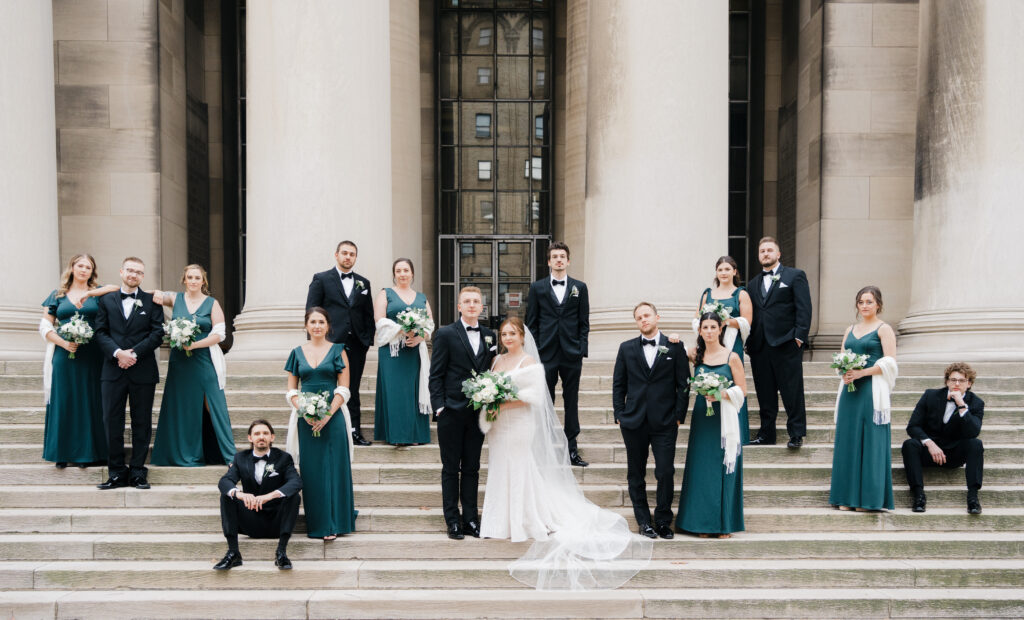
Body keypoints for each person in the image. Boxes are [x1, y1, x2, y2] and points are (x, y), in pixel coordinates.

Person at [480, 317, 653, 590]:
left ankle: (523, 519)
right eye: (504, 334)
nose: (508, 338)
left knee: (520, 466)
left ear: (523, 337)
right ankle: (498, 521)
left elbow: (533, 397)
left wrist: (500, 401)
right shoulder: (496, 362)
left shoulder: (528, 363)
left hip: (519, 425)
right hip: (499, 427)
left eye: (512, 333)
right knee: (500, 467)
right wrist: (490, 401)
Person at [612, 302, 690, 539]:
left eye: (647, 315)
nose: (643, 320)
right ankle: (644, 521)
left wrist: (679, 416)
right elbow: (619, 384)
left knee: (665, 471)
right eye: (639, 318)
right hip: (633, 421)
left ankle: (664, 521)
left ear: (657, 317)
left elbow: (683, 384)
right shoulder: (626, 348)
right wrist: (619, 414)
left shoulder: (675, 347)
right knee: (635, 473)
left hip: (665, 422)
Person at [428, 286, 496, 540]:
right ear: (459, 307)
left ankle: (470, 519)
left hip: (478, 414)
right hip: (451, 412)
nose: (471, 305)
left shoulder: (490, 335)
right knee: (450, 468)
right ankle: (452, 520)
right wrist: (440, 407)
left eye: (475, 301)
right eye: (466, 301)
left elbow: (490, 371)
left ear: (481, 307)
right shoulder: (445, 333)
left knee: (472, 467)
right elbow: (436, 375)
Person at [150, 264, 235, 466]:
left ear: (203, 281)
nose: (194, 281)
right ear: (184, 280)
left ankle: (227, 454)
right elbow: (148, 293)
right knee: (182, 404)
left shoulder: (212, 303)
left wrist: (195, 344)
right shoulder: (175, 299)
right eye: (190, 277)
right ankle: (180, 452)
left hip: (204, 359)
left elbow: (220, 334)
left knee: (213, 402)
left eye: (197, 278)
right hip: (180, 362)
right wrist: (99, 291)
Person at [39, 254, 118, 468]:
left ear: (92, 271)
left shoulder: (99, 293)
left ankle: (89, 453)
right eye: (80, 265)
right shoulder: (57, 295)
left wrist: (91, 292)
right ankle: (63, 452)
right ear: (72, 268)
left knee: (90, 399)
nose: (84, 270)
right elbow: (45, 327)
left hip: (93, 354)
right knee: (65, 399)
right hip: (65, 353)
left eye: (88, 267)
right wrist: (64, 344)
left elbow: (116, 289)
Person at [284, 307, 356, 539]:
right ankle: (319, 523)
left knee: (335, 469)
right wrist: (303, 411)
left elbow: (344, 388)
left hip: (333, 418)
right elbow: (292, 390)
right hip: (306, 419)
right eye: (312, 322)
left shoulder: (338, 350)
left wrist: (327, 415)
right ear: (306, 326)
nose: (317, 326)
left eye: (321, 322)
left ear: (328, 326)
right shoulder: (296, 352)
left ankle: (336, 523)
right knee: (312, 471)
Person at [94, 257, 165, 490]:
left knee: (141, 422)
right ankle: (115, 472)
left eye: (139, 272)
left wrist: (132, 354)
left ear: (143, 277)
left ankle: (137, 473)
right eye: (130, 270)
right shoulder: (106, 300)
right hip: (112, 370)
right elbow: (100, 332)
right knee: (111, 421)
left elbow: (157, 334)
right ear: (121, 271)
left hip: (142, 370)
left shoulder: (152, 301)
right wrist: (117, 353)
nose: (134, 275)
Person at [676, 312, 746, 538]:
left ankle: (722, 524)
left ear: (720, 329)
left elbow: (742, 391)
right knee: (702, 468)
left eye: (712, 327)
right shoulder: (695, 354)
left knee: (722, 467)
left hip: (723, 419)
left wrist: (722, 394)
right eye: (704, 327)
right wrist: (674, 338)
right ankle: (700, 524)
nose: (708, 331)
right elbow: (674, 349)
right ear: (699, 330)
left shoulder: (731, 357)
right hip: (702, 417)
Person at [828, 286, 898, 512]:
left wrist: (862, 373)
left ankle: (868, 499)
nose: (865, 306)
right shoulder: (850, 329)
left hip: (871, 391)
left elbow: (890, 363)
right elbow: (841, 357)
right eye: (861, 302)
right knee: (848, 441)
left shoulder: (884, 329)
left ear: (878, 304)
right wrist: (844, 372)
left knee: (870, 442)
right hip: (850, 391)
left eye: (869, 301)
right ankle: (846, 498)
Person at [525, 241, 590, 467]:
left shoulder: (580, 288)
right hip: (546, 353)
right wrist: (533, 352)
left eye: (562, 256)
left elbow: (584, 322)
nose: (559, 260)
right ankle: (544, 449)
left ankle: (572, 449)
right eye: (555, 256)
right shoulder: (537, 288)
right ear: (549, 261)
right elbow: (531, 323)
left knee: (571, 401)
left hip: (572, 354)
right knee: (545, 401)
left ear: (568, 260)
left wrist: (582, 349)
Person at [305, 240, 374, 446]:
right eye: (344, 253)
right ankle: (325, 427)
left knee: (352, 388)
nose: (348, 257)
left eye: (352, 254)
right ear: (336, 255)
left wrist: (367, 340)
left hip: (356, 345)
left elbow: (368, 314)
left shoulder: (364, 283)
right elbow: (312, 311)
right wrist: (315, 343)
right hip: (330, 343)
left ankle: (354, 431)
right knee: (328, 386)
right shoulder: (321, 279)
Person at [746, 236, 812, 448]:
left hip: (786, 344)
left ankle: (796, 433)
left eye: (769, 250)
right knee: (764, 393)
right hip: (760, 347)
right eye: (762, 251)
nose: (765, 253)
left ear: (778, 254)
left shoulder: (795, 276)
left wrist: (799, 337)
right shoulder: (752, 284)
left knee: (792, 390)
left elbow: (804, 308)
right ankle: (767, 434)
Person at [213, 419, 302, 571]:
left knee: (294, 496)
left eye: (265, 433)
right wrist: (240, 494)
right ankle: (233, 553)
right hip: (251, 521)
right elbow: (225, 481)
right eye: (257, 434)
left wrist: (269, 496)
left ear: (272, 437)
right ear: (250, 438)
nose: (261, 437)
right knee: (227, 496)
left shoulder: (283, 458)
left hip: (276, 522)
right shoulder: (240, 458)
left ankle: (281, 552)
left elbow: (296, 482)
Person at [902, 362, 985, 514]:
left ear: (969, 383)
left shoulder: (976, 403)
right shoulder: (930, 396)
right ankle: (918, 495)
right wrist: (929, 443)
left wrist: (961, 405)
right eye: (953, 380)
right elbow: (913, 426)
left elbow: (973, 432)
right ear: (947, 381)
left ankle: (973, 497)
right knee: (910, 444)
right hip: (929, 453)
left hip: (954, 454)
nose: (956, 383)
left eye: (962, 380)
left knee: (976, 444)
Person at [691, 255, 753, 444]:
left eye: (727, 269)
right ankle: (709, 427)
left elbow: (747, 322)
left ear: (734, 272)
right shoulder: (707, 294)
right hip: (709, 345)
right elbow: (697, 320)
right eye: (720, 270)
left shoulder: (741, 294)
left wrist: (726, 321)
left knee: (732, 385)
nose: (724, 273)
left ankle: (735, 434)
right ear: (716, 273)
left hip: (731, 345)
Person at [372, 258, 433, 447]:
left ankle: (415, 435)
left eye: (406, 270)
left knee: (413, 392)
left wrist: (419, 337)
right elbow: (379, 321)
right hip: (392, 353)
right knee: (395, 392)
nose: (402, 274)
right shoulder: (385, 293)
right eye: (398, 271)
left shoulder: (422, 297)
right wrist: (402, 330)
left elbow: (430, 324)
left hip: (413, 352)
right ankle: (397, 435)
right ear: (394, 274)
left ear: (412, 273)